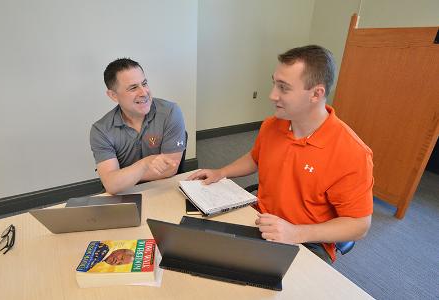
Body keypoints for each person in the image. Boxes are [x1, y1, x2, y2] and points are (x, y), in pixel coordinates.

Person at [188, 45, 373, 263]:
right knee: (203, 254)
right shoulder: (273, 125)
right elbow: (255, 157)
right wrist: (221, 172)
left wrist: (295, 233)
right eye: (274, 83)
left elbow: (359, 225)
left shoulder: (351, 152)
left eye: (284, 88)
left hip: (307, 239)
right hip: (261, 219)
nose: (272, 95)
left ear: (316, 93)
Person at [90, 58, 186, 195]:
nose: (144, 92)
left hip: (162, 188)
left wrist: (123, 177)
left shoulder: (170, 112)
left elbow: (171, 168)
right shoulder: (101, 130)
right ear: (113, 95)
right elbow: (111, 185)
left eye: (144, 83)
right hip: (125, 194)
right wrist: (145, 163)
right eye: (133, 87)